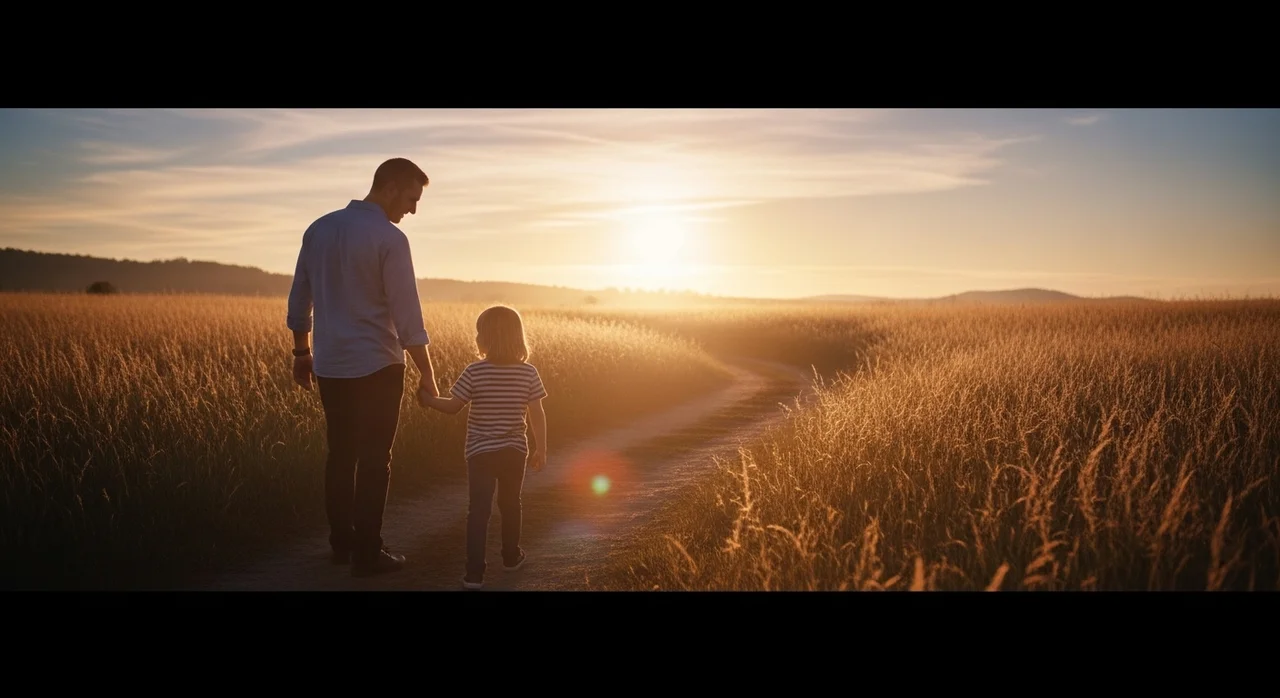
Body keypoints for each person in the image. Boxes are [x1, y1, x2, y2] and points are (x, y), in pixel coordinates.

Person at [286, 157, 439, 578]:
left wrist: (302, 353)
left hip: (332, 366)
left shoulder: (319, 228)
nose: (412, 209)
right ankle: (368, 554)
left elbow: (300, 298)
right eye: (411, 198)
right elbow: (407, 315)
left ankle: (341, 546)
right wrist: (428, 374)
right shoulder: (389, 239)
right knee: (375, 460)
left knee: (340, 456)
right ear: (389, 187)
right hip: (378, 366)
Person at [418, 305, 548, 590]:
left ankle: (474, 574)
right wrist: (542, 449)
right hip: (515, 450)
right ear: (518, 337)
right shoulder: (528, 373)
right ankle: (511, 557)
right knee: (511, 504)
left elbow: (453, 407)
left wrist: (428, 401)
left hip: (480, 452)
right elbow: (536, 413)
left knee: (478, 511)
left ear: (484, 339)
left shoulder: (474, 372)